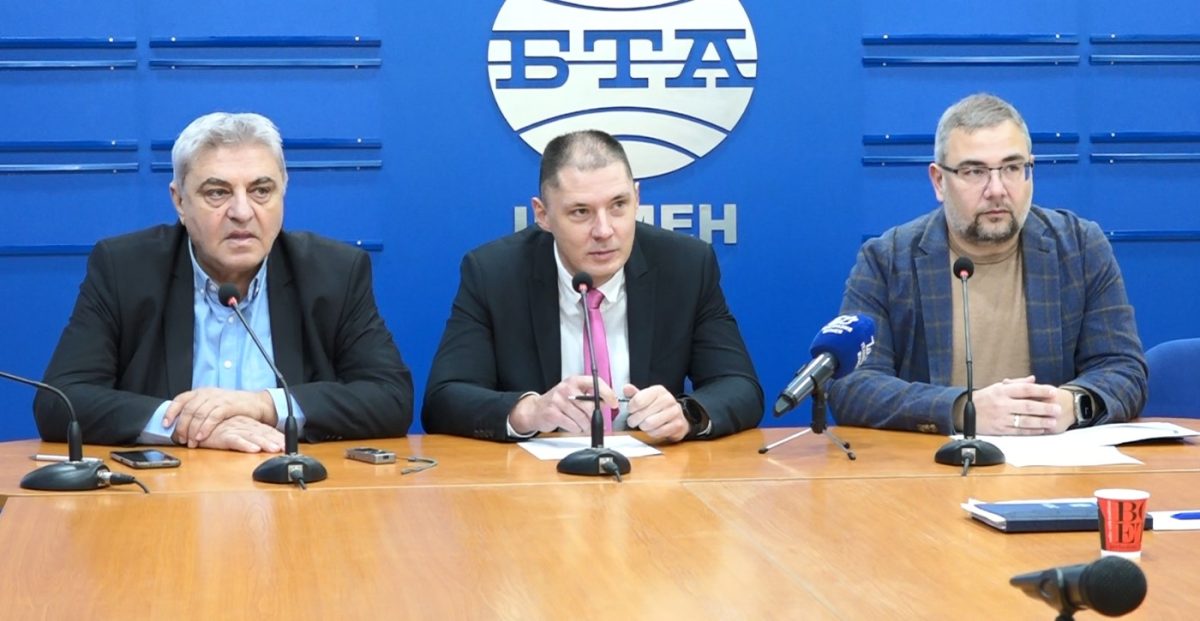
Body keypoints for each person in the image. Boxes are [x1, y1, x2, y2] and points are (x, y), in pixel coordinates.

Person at [34, 112, 412, 452]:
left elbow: (391, 397)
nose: (242, 212)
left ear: (284, 190)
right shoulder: (125, 269)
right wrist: (187, 425)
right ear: (179, 201)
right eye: (218, 192)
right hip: (167, 493)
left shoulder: (333, 272)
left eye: (261, 190)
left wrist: (264, 405)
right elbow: (59, 402)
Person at [829, 93, 1147, 436]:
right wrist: (963, 409)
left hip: (1051, 461)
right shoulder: (887, 260)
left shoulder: (1080, 248)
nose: (997, 190)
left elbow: (1123, 369)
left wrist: (1071, 404)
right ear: (939, 181)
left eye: (1012, 168)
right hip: (932, 462)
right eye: (974, 171)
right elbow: (852, 386)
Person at [422, 130, 762, 443]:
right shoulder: (494, 273)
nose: (604, 230)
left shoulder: (686, 265)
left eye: (618, 205)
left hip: (654, 475)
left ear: (637, 198)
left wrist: (687, 415)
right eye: (581, 212)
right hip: (534, 478)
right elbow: (443, 399)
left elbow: (740, 386)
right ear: (542, 215)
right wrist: (530, 411)